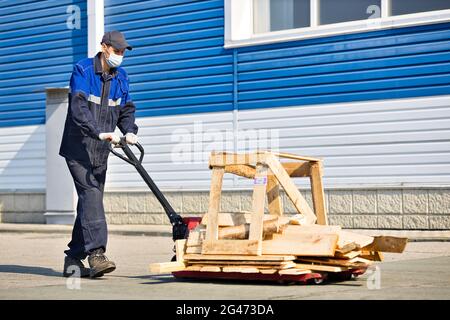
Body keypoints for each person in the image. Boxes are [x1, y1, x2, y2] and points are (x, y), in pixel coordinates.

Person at [59, 31, 138, 278]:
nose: (120, 56)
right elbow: (79, 107)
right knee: (92, 194)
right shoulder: (82, 70)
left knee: (89, 202)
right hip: (78, 146)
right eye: (117, 51)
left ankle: (73, 258)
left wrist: (130, 131)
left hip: (100, 150)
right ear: (104, 47)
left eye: (123, 52)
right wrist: (98, 132)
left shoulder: (121, 77)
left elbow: (126, 109)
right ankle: (97, 254)